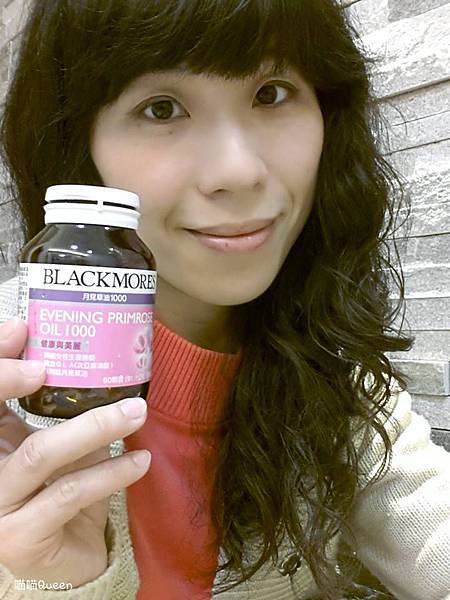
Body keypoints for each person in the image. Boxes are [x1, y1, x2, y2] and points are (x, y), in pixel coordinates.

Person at [0, 0, 448, 598]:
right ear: (81, 146)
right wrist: (52, 581)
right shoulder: (13, 371)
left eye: (271, 94)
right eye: (162, 108)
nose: (237, 172)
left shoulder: (327, 350)